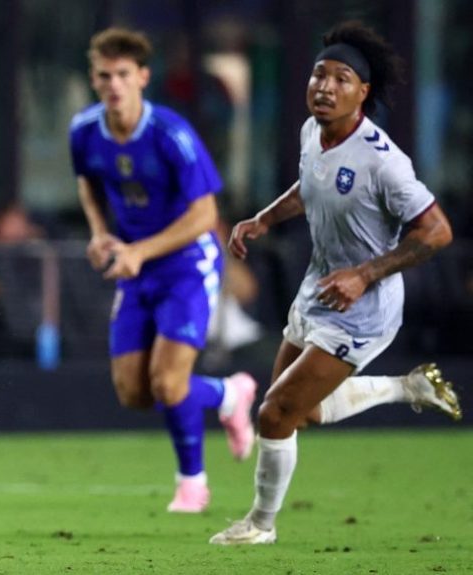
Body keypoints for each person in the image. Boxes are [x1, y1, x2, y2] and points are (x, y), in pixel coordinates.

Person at [209, 21, 461, 546]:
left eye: (341, 79)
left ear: (362, 93)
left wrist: (364, 275)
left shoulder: (384, 162)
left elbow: (438, 232)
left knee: (275, 413)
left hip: (363, 308)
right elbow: (310, 184)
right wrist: (264, 218)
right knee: (300, 413)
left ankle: (260, 525)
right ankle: (405, 388)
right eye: (319, 75)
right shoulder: (312, 131)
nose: (325, 87)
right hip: (318, 290)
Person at [69, 27, 258, 513]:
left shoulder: (171, 133)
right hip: (136, 266)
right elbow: (88, 183)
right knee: (133, 392)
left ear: (143, 77)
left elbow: (205, 215)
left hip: (187, 265)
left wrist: (141, 250)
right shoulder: (84, 131)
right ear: (93, 79)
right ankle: (228, 394)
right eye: (104, 75)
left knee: (169, 383)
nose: (113, 84)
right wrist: (99, 233)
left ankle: (192, 483)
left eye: (123, 74)